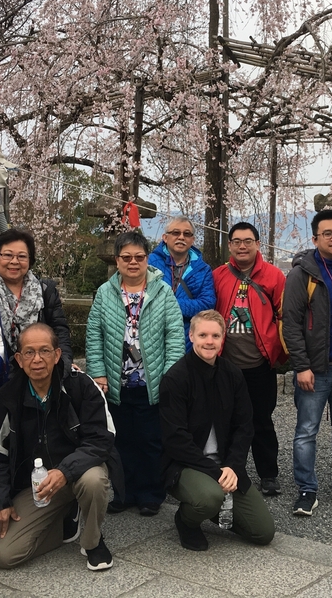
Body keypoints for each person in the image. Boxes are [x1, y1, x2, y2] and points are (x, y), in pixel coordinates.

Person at [0, 227, 72, 536]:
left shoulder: (45, 291)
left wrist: (64, 369)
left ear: (31, 260)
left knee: (39, 443)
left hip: (38, 380)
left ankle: (47, 507)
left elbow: (60, 332)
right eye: (7, 255)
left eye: (22, 255)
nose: (14, 261)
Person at [0, 324, 117, 572]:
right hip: (36, 485)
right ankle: (63, 516)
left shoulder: (82, 386)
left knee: (94, 480)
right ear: (19, 360)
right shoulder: (8, 396)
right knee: (6, 557)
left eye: (44, 351)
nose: (38, 359)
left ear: (57, 355)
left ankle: (93, 541)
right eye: (29, 353)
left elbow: (101, 439)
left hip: (76, 474)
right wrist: (0, 501)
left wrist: (65, 471)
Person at [86, 231, 184, 516]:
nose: (132, 262)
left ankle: (151, 493)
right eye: (126, 257)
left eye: (139, 257)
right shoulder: (105, 293)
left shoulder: (162, 291)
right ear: (117, 261)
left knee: (151, 440)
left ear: (147, 259)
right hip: (118, 382)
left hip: (151, 381)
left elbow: (175, 335)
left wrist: (169, 376)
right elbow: (94, 334)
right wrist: (99, 373)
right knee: (121, 440)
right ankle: (124, 492)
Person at [160, 310, 276, 551]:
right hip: (187, 465)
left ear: (223, 338)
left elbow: (245, 426)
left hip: (226, 465)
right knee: (210, 497)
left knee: (263, 532)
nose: (209, 341)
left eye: (215, 335)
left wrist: (233, 466)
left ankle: (213, 508)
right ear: (191, 336)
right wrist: (215, 472)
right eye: (203, 335)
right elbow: (175, 439)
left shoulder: (232, 374)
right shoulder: (176, 378)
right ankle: (187, 520)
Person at [281, 209, 332, 517]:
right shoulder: (302, 273)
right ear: (315, 239)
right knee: (306, 430)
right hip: (316, 366)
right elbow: (290, 323)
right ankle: (306, 488)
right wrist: (301, 365)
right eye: (327, 233)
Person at [212, 221, 286, 497]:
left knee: (261, 420)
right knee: (225, 419)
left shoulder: (275, 276)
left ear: (258, 244)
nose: (242, 246)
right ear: (230, 245)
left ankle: (268, 474)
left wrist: (278, 352)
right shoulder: (219, 275)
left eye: (248, 241)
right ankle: (230, 470)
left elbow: (284, 317)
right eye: (237, 241)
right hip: (226, 364)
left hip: (260, 363)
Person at [148, 216, 215, 351]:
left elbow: (207, 304)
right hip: (151, 338)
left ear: (192, 240)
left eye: (187, 234)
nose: (181, 237)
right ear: (165, 237)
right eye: (176, 233)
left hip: (187, 341)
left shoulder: (203, 269)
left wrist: (170, 304)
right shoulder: (149, 263)